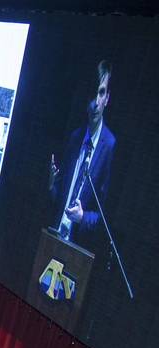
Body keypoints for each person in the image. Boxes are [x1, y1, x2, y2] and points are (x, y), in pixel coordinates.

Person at [48, 60, 115, 252]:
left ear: (107, 98)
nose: (95, 102)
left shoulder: (109, 146)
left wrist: (82, 217)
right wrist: (51, 184)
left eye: (101, 92)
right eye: (93, 92)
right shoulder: (75, 137)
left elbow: (102, 217)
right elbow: (56, 199)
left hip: (77, 249)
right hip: (53, 238)